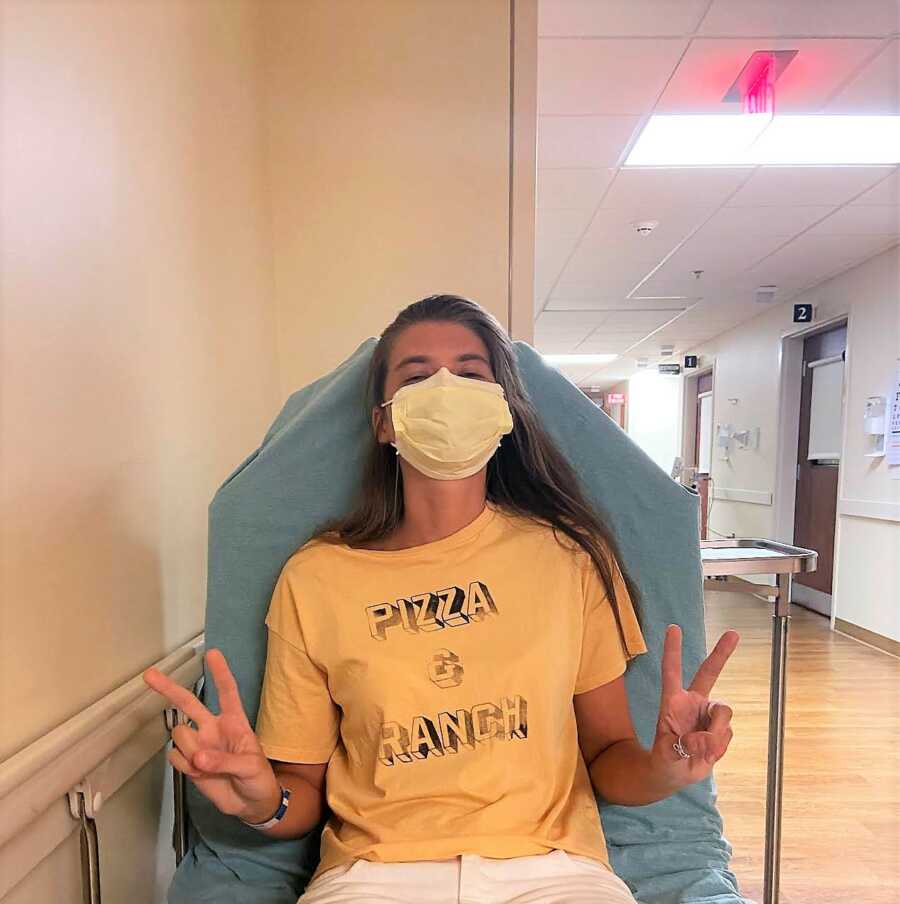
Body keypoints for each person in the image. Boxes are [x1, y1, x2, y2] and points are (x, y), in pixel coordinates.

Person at [144, 295, 739, 904]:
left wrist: (666, 766)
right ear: (383, 419)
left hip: (553, 873)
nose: (446, 389)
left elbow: (609, 755)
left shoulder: (568, 559)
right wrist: (260, 800)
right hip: (372, 878)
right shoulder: (315, 578)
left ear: (504, 410)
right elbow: (300, 787)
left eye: (472, 373)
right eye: (418, 375)